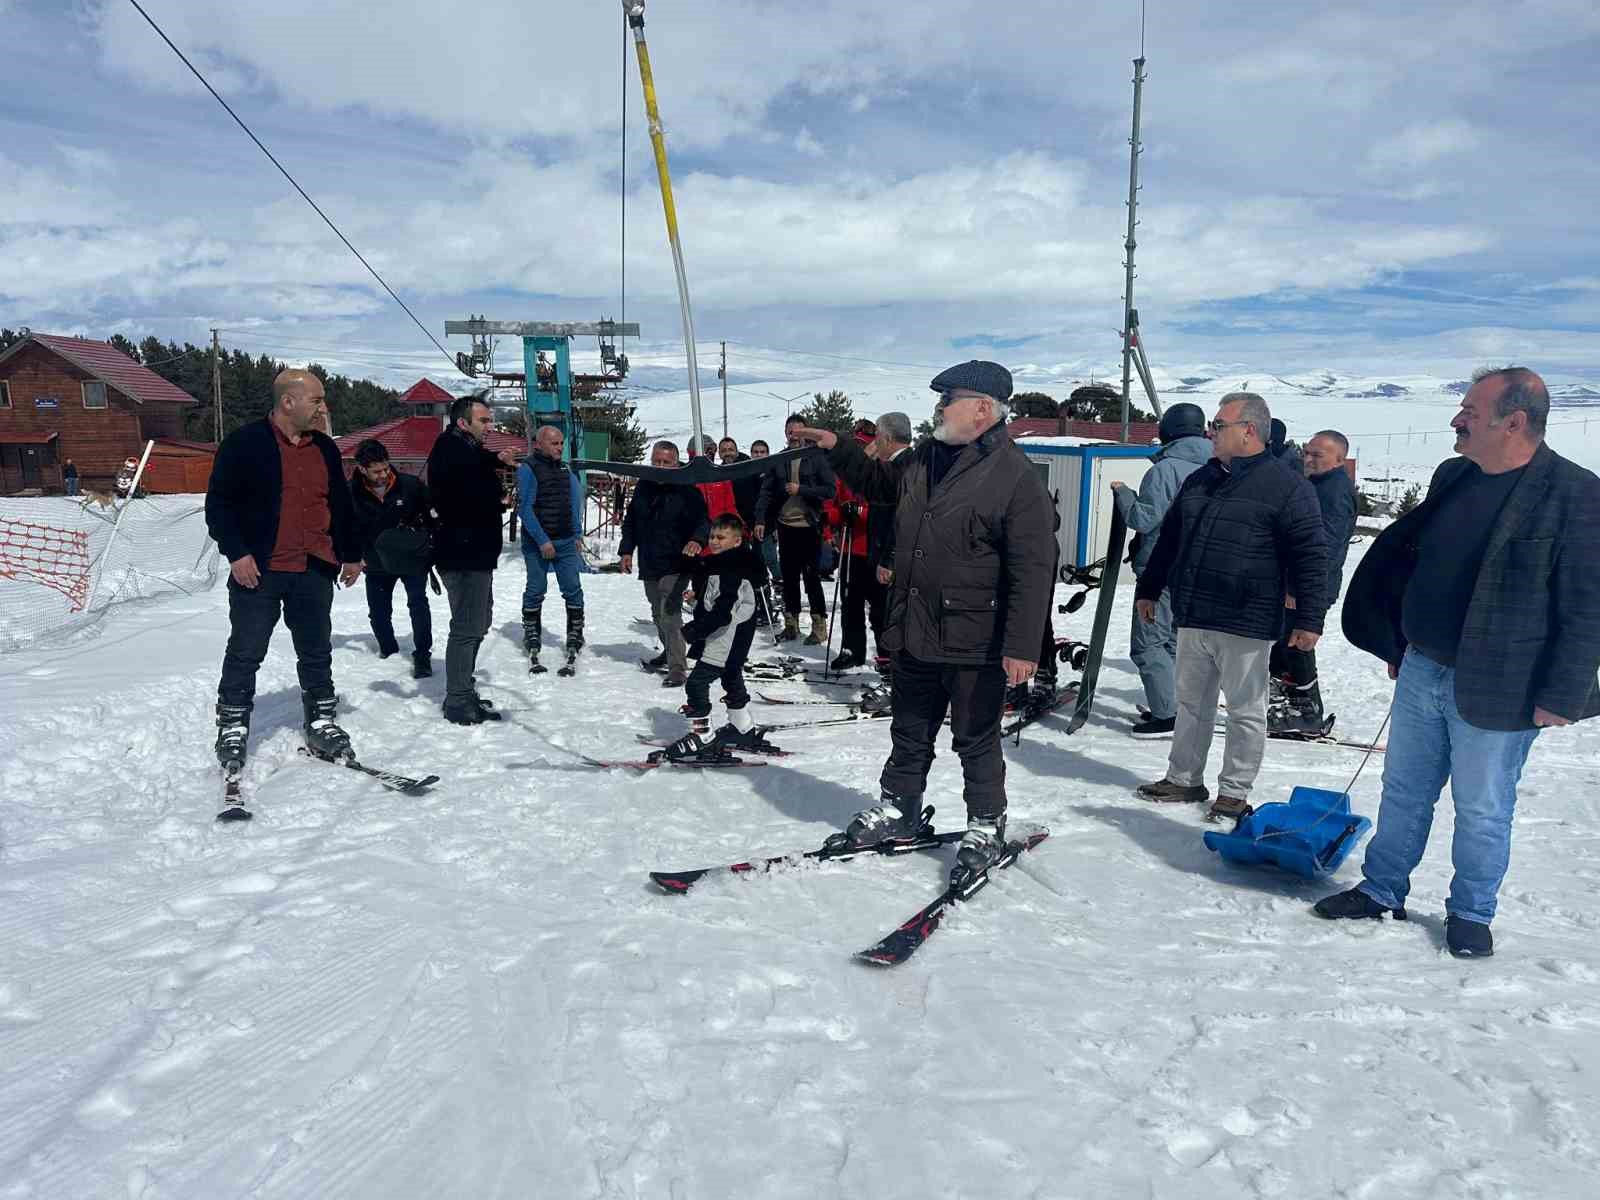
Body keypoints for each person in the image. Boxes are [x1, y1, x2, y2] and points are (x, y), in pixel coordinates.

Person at [1316, 367, 1600, 958]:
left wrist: (1562, 695)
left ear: (1513, 422)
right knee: (1403, 789)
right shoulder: (1455, 475)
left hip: (1504, 686)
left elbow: (1586, 606)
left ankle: (1471, 912)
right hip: (1422, 666)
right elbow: (1412, 563)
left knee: (1483, 807)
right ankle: (1382, 888)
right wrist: (1398, 641)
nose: (1457, 420)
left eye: (1470, 411)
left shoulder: (1577, 495)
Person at [794, 360, 1054, 881]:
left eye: (947, 398)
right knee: (909, 729)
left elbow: (1034, 567)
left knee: (975, 737)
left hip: (974, 637)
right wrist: (837, 446)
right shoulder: (926, 457)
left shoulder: (1015, 476)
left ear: (982, 408)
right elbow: (876, 482)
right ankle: (899, 807)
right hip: (914, 625)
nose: (937, 407)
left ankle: (986, 822)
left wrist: (1023, 646)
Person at [1133, 392, 1328, 821]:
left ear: (1249, 431)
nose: (1211, 433)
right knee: (1191, 704)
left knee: (1244, 711)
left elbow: (1312, 555)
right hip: (1194, 613)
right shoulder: (1201, 479)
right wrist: (1149, 588)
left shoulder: (1287, 486)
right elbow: (1169, 539)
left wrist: (1310, 617)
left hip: (1246, 619)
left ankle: (1234, 793)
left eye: (1219, 426)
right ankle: (1184, 779)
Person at [206, 369, 363, 774]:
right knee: (246, 649)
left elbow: (340, 504)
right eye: (317, 400)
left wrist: (351, 554)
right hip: (260, 568)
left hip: (313, 566)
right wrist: (237, 553)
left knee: (316, 648)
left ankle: (321, 720)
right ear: (288, 402)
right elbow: (219, 506)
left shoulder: (325, 448)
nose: (323, 408)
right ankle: (232, 724)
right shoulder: (244, 444)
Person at [1109, 402, 1212, 737]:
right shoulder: (1218, 466)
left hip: (1162, 569)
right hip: (1198, 571)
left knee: (1148, 644)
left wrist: (1124, 494)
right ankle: (1176, 705)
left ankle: (1167, 715)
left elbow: (1143, 519)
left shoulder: (1165, 470)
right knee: (1173, 643)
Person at [426, 393, 520, 724]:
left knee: (478, 623)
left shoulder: (463, 447)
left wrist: (497, 461)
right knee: (467, 627)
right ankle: (458, 700)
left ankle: (463, 689)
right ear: (463, 423)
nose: (489, 426)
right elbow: (468, 491)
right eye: (484, 420)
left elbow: (478, 463)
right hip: (463, 554)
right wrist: (497, 496)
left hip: (475, 554)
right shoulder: (451, 449)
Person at [659, 515, 777, 760]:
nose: (714, 541)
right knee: (730, 675)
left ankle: (702, 736)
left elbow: (723, 614)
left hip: (724, 639)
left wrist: (694, 630)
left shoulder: (730, 570)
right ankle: (742, 728)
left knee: (696, 684)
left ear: (737, 541)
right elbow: (721, 602)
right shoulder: (726, 566)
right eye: (712, 536)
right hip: (732, 638)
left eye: (721, 537)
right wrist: (698, 599)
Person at [1268, 429, 1357, 735]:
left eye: (1317, 455)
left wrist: (1297, 587)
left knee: (1297, 644)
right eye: (1306, 452)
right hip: (1299, 582)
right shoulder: (1317, 484)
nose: (1308, 459)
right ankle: (1289, 707)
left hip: (1309, 586)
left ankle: (1306, 714)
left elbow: (1327, 547)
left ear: (1339, 459)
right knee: (1285, 644)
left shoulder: (1334, 490)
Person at [620, 440, 710, 687]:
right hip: (650, 559)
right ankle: (670, 651)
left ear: (676, 463)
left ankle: (677, 667)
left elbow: (704, 521)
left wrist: (696, 540)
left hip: (678, 561)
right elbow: (631, 521)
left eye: (666, 462)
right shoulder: (644, 486)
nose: (660, 466)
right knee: (657, 611)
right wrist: (626, 550)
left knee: (669, 611)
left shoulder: (688, 488)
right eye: (656, 461)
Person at [349, 439, 434, 679]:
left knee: (418, 604)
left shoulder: (410, 485)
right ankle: (389, 650)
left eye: (386, 468)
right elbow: (345, 529)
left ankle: (422, 655)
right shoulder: (350, 492)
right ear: (362, 469)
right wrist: (353, 557)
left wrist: (427, 542)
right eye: (376, 471)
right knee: (378, 612)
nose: (383, 474)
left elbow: (432, 515)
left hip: (411, 559)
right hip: (375, 562)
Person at [756, 416, 837, 644]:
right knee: (789, 577)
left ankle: (819, 625)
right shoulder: (779, 459)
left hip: (809, 526)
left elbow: (829, 490)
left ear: (807, 433)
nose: (794, 435)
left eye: (799, 431)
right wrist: (761, 519)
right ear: (785, 433)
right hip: (785, 526)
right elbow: (766, 492)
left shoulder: (816, 457)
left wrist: (802, 490)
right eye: (790, 431)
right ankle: (791, 624)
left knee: (811, 577)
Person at [516, 424, 585, 675]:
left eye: (561, 443)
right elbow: (525, 509)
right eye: (554, 443)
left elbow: (573, 504)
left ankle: (575, 631)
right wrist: (543, 540)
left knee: (572, 587)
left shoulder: (565, 469)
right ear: (539, 444)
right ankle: (531, 631)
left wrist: (577, 534)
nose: (559, 448)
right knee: (536, 588)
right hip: (538, 543)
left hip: (565, 540)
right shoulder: (528, 469)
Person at [861, 412, 914, 675]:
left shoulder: (904, 467)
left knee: (889, 614)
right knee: (881, 611)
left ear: (888, 438)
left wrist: (889, 558)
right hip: (882, 549)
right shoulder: (899, 463)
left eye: (878, 437)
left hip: (892, 555)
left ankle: (896, 668)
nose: (875, 443)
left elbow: (902, 518)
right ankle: (889, 662)